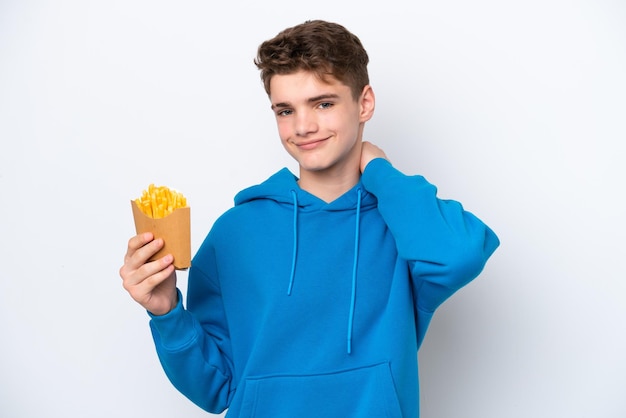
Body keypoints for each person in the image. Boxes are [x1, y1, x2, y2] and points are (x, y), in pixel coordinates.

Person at [119, 19, 500, 418]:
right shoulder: (236, 232)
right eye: (285, 110)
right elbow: (218, 387)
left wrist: (381, 172)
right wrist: (166, 312)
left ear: (364, 102)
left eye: (323, 103)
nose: (303, 127)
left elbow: (460, 255)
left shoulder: (405, 225)